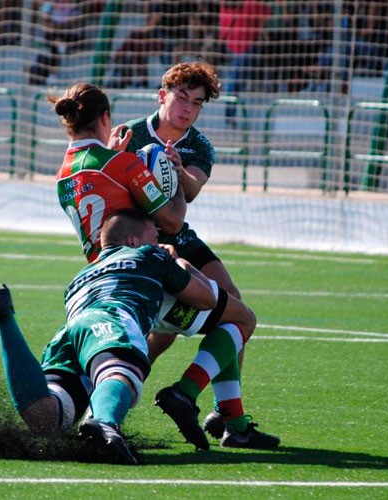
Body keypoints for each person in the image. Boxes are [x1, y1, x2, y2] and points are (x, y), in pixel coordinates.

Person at [0, 209, 218, 465]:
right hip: (112, 318)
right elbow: (207, 299)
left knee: (46, 417)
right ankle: (104, 422)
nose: (160, 243)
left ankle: (5, 318)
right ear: (132, 241)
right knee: (119, 374)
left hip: (70, 332)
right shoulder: (149, 254)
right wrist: (180, 263)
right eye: (154, 237)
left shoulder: (80, 276)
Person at [122, 61, 279, 449]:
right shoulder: (129, 134)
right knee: (156, 338)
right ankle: (111, 405)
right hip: (139, 238)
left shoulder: (198, 145)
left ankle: (228, 417)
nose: (188, 108)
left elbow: (190, 191)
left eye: (197, 102)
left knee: (235, 308)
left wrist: (178, 169)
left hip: (180, 236)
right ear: (162, 96)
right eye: (181, 98)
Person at [52, 82, 187, 262]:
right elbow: (173, 222)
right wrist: (174, 171)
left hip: (97, 271)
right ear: (105, 117)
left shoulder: (61, 177)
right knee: (206, 281)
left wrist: (111, 154)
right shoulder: (122, 163)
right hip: (135, 268)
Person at [109, 0, 198, 89]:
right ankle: (134, 78)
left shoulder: (178, 5)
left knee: (135, 41)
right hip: (165, 39)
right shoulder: (161, 5)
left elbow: (150, 25)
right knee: (136, 44)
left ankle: (123, 69)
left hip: (168, 41)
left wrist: (137, 30)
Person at [219, 0, 271, 125]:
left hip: (234, 43)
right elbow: (265, 17)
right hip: (244, 45)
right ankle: (230, 114)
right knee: (237, 81)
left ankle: (230, 112)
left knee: (238, 80)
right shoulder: (252, 3)